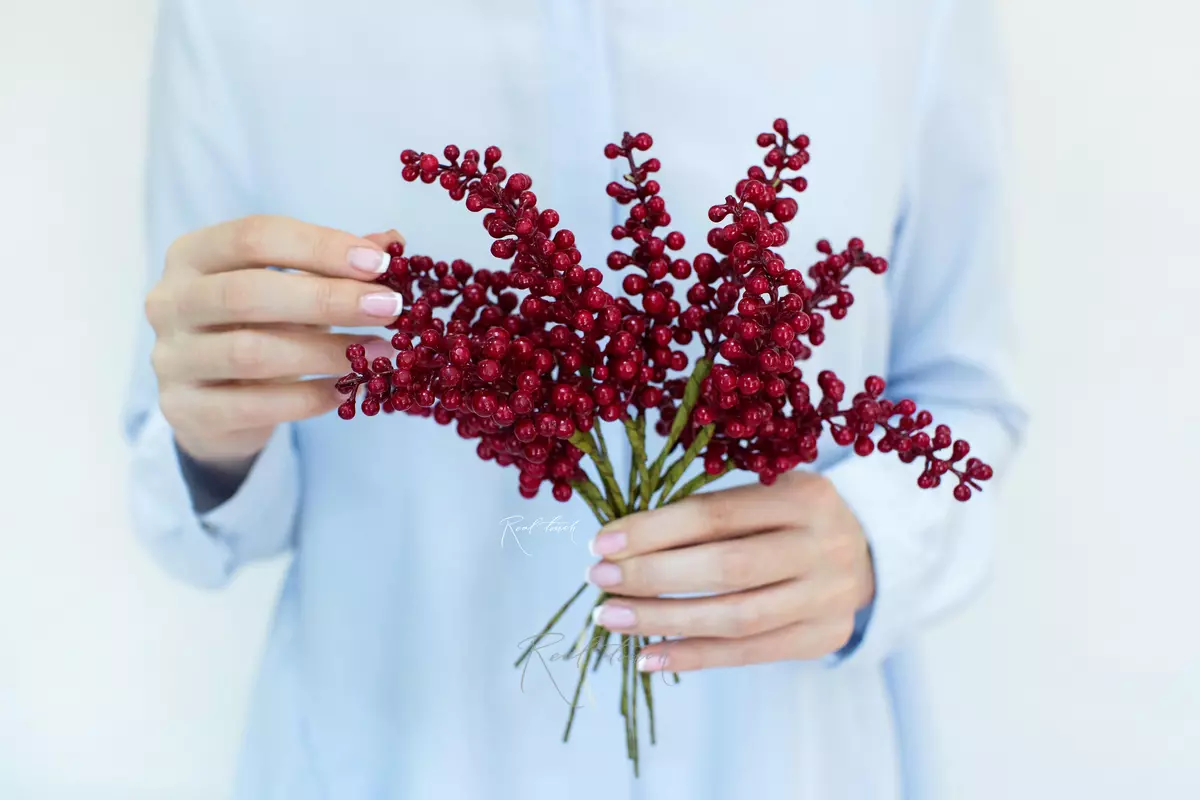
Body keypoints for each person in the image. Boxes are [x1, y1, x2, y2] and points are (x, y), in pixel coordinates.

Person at [125, 1, 1025, 797]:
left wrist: (874, 538)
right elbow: (191, 507)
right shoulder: (238, 16)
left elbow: (961, 396)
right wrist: (211, 429)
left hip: (776, 752)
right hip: (396, 746)